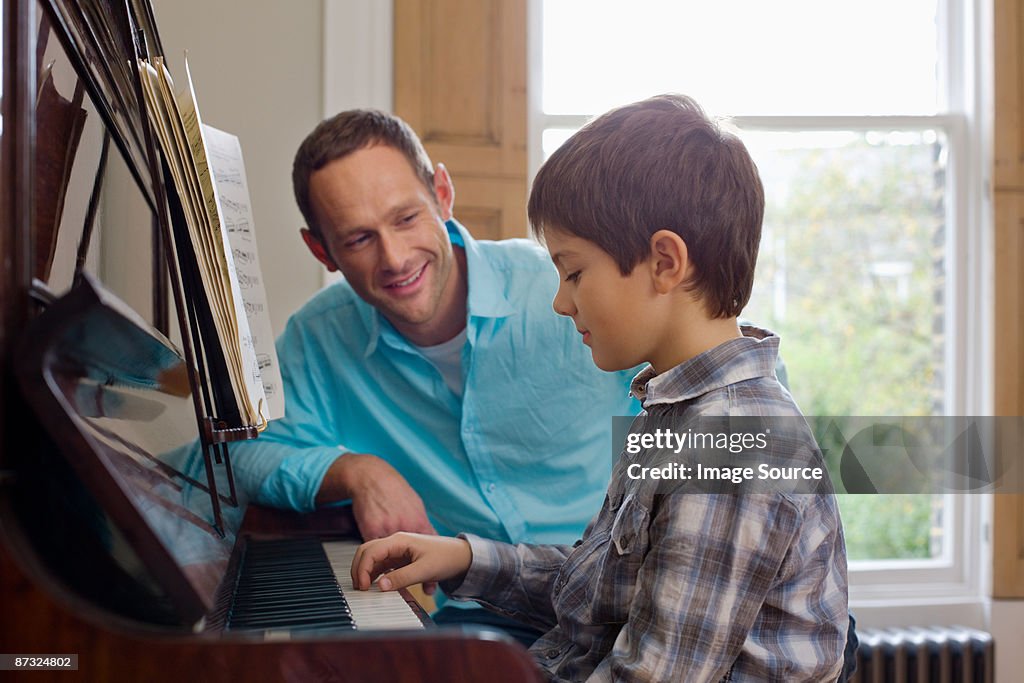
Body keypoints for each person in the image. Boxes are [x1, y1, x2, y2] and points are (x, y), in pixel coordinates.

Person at [350, 94, 850, 681]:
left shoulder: (733, 446)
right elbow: (598, 593)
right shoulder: (673, 412)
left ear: (665, 262)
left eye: (575, 272)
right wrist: (464, 558)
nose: (561, 302)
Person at [228, 108, 639, 641]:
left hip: (622, 605)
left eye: (405, 219)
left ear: (442, 195)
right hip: (480, 617)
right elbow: (238, 455)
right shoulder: (321, 338)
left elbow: (738, 407)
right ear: (321, 251)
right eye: (358, 239)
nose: (395, 258)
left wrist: (674, 534)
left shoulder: (562, 291)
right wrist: (359, 471)